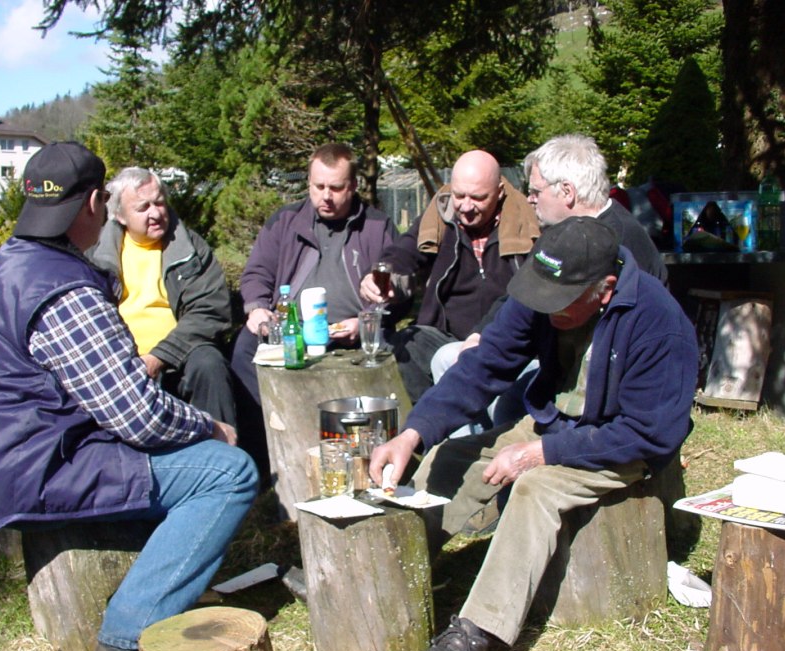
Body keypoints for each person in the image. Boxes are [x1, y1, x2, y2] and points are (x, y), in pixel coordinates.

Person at [0, 142, 259, 651]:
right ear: (94, 203)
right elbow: (137, 415)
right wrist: (210, 426)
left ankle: (162, 576)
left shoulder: (16, 261)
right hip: (30, 470)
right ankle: (125, 643)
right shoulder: (65, 289)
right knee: (229, 472)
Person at [369, 216, 697, 651]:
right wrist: (414, 432)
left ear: (604, 290)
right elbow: (484, 366)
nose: (544, 307)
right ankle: (395, 571)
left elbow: (651, 431)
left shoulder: (659, 322)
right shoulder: (545, 292)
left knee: (533, 490)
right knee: (452, 457)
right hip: (555, 421)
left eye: (558, 303)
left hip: (622, 442)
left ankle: (473, 637)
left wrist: (540, 455)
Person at [430, 134, 670, 430]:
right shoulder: (563, 235)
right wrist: (481, 335)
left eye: (535, 191)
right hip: (556, 358)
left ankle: (491, 449)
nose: (529, 199)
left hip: (593, 383)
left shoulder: (617, 242)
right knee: (448, 358)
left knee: (509, 402)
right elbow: (522, 295)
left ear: (567, 192)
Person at [230, 142, 399, 469]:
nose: (326, 196)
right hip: (290, 328)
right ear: (308, 183)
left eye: (336, 188)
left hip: (349, 331)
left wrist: (366, 320)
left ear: (353, 186)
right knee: (243, 350)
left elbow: (396, 288)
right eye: (318, 186)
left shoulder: (377, 227)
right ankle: (260, 458)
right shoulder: (286, 221)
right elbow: (257, 273)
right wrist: (257, 308)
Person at [359, 149, 540, 403]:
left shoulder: (527, 223)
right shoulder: (440, 215)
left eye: (478, 198)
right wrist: (383, 273)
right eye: (459, 195)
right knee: (408, 344)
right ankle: (423, 420)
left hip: (505, 335)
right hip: (446, 335)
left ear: (499, 192)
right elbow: (406, 249)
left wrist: (483, 334)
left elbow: (528, 288)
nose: (466, 207)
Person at [88, 167, 236, 426]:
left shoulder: (190, 247)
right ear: (120, 216)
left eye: (159, 203)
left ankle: (223, 443)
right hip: (118, 356)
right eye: (143, 207)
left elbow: (210, 310)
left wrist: (159, 357)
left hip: (182, 353)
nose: (155, 213)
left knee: (210, 364)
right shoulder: (95, 253)